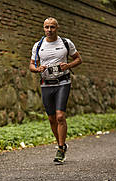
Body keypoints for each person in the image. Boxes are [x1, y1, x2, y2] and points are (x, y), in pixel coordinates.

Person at [29, 17, 82, 163]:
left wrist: (68, 66)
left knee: (60, 116)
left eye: (52, 27)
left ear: (57, 28)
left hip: (63, 81)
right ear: (43, 28)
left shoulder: (66, 42)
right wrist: (37, 69)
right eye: (47, 27)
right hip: (46, 83)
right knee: (51, 118)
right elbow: (31, 65)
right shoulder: (38, 45)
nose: (49, 30)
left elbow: (78, 59)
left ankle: (60, 148)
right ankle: (62, 144)